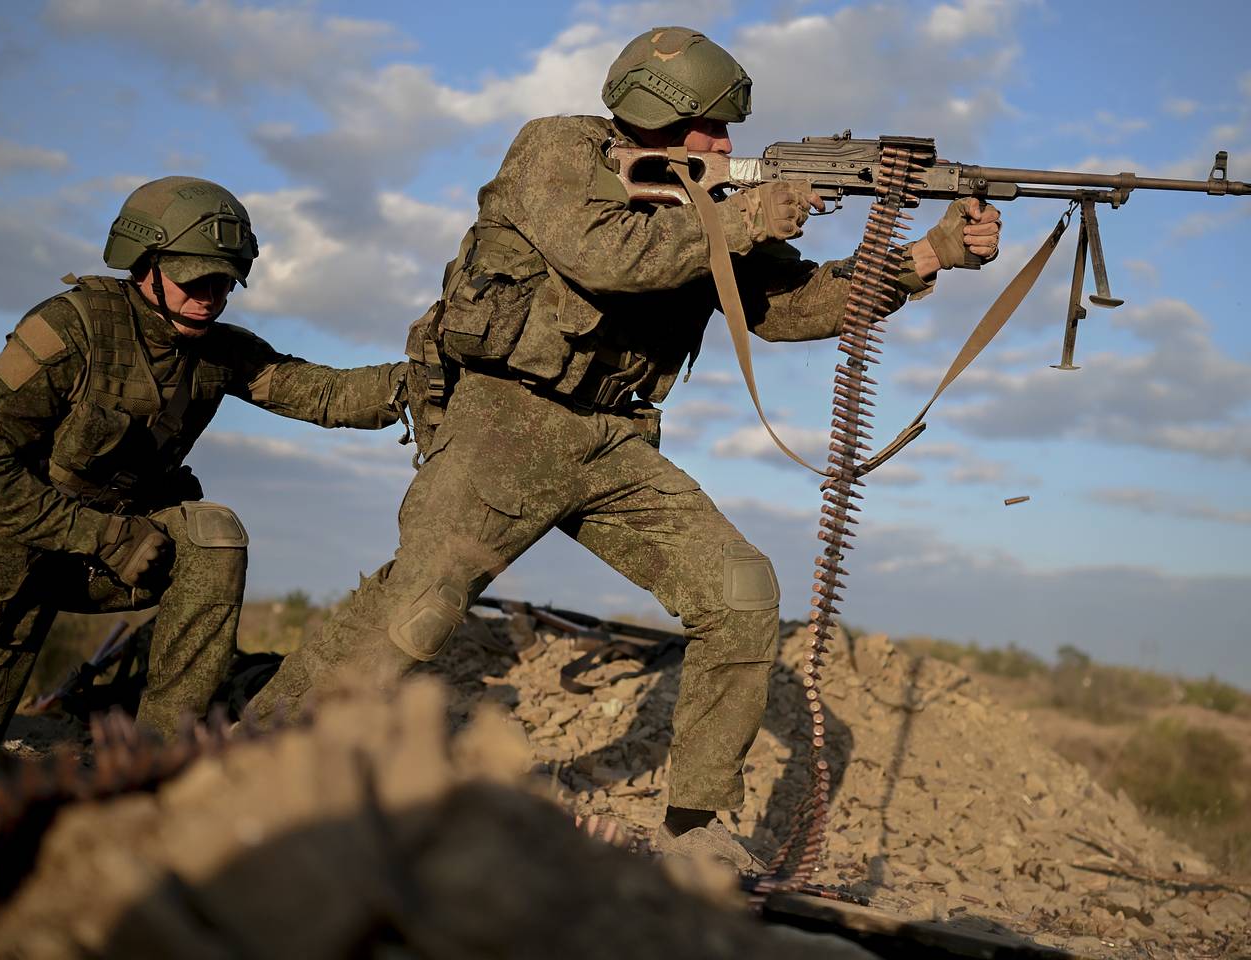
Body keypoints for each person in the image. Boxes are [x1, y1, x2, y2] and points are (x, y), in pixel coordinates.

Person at [246, 27, 1001, 866]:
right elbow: (604, 256)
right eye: (709, 128)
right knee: (419, 609)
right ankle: (245, 768)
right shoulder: (557, 150)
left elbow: (785, 310)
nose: (724, 146)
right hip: (504, 419)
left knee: (742, 592)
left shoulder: (711, 201)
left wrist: (927, 255)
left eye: (727, 131)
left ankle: (695, 828)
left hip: (613, 436)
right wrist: (745, 214)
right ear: (656, 118)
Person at [0, 176, 407, 749]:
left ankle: (157, 758)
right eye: (194, 278)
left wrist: (418, 379)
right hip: (2, 558)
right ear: (143, 264)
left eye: (225, 282)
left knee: (211, 536)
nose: (210, 296)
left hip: (108, 556)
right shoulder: (68, 330)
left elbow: (322, 393)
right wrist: (103, 536)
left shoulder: (220, 350)